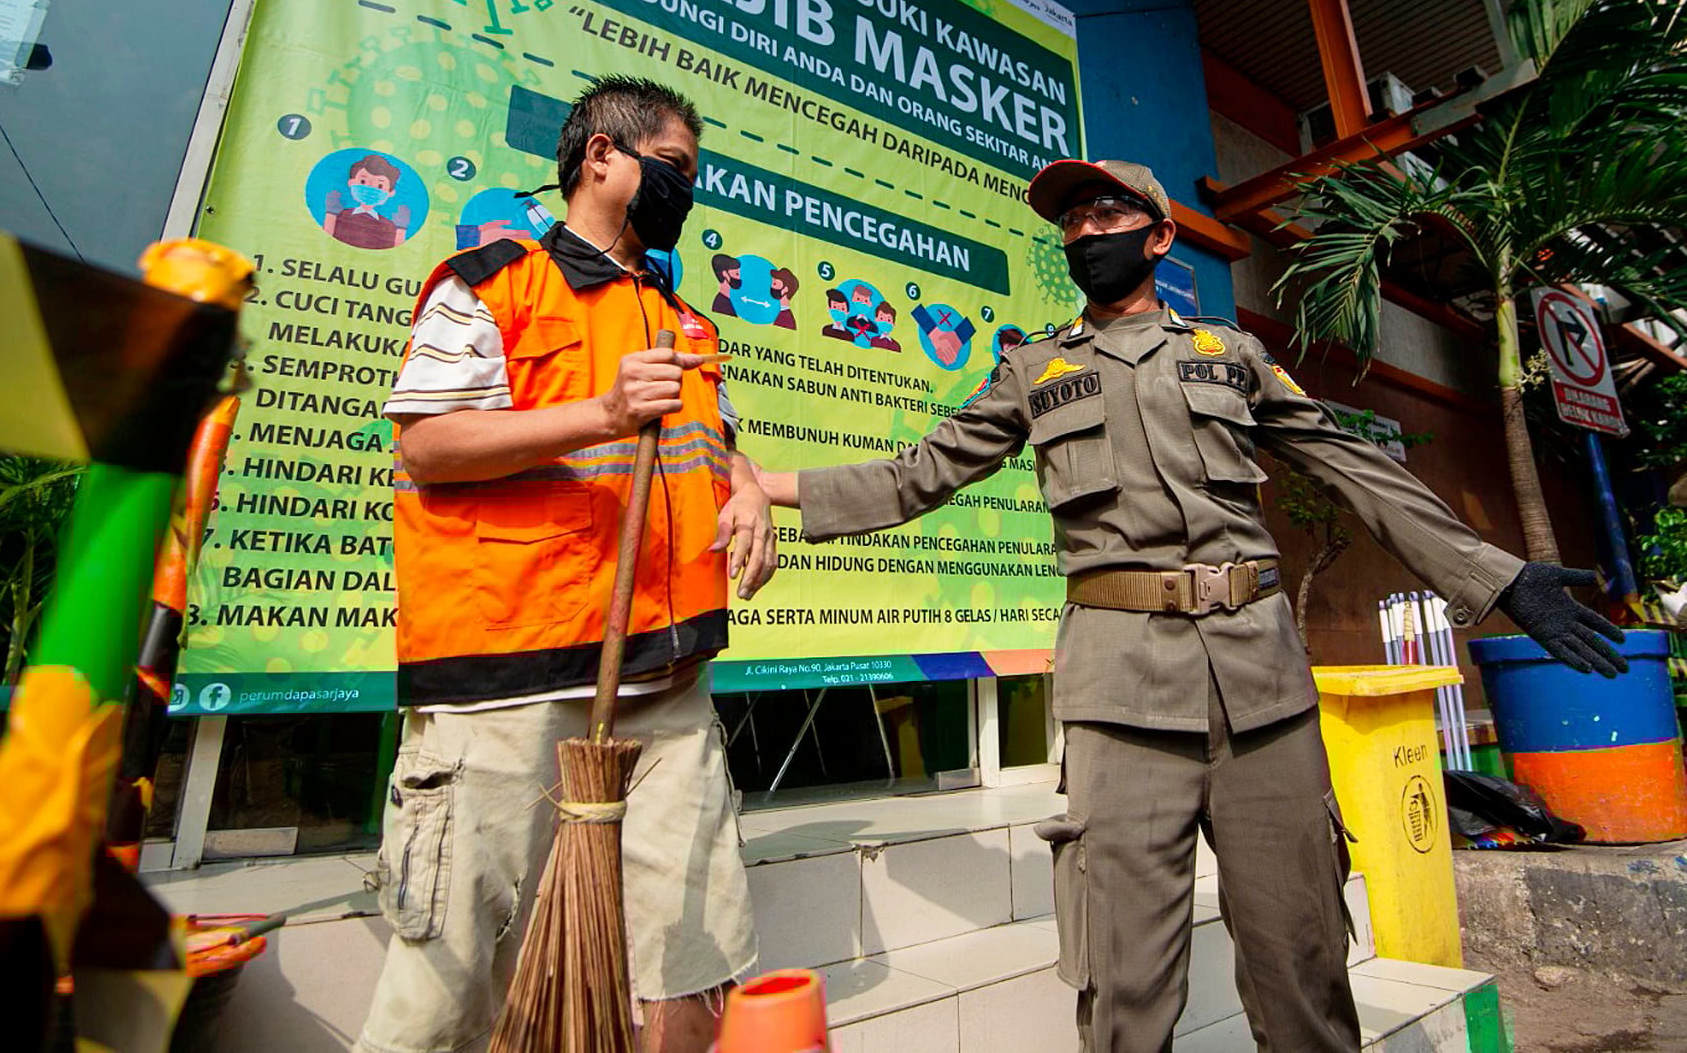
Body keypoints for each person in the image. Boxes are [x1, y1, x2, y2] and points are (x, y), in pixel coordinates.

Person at [755, 157, 1626, 1053]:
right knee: (1124, 980)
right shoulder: (1033, 368)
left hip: (1263, 692)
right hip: (1118, 694)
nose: (1087, 233)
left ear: (1158, 235)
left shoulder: (1232, 356)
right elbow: (916, 476)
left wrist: (1497, 576)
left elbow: (1350, 466)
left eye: (1106, 213)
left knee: (1303, 959)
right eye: (1073, 223)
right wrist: (762, 483)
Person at [355, 76, 777, 1053]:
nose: (685, 190)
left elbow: (716, 440)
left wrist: (748, 486)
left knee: (689, 967)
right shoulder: (491, 281)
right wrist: (598, 413)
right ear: (600, 157)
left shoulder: (682, 317)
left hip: (668, 689)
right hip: (513, 687)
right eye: (673, 167)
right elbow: (426, 444)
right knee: (453, 994)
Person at [325, 153, 409, 249]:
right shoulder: (340, 216)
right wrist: (330, 214)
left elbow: (394, 254)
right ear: (351, 182)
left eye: (380, 186)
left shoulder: (388, 226)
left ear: (390, 192)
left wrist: (401, 229)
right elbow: (326, 244)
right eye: (363, 181)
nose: (370, 188)